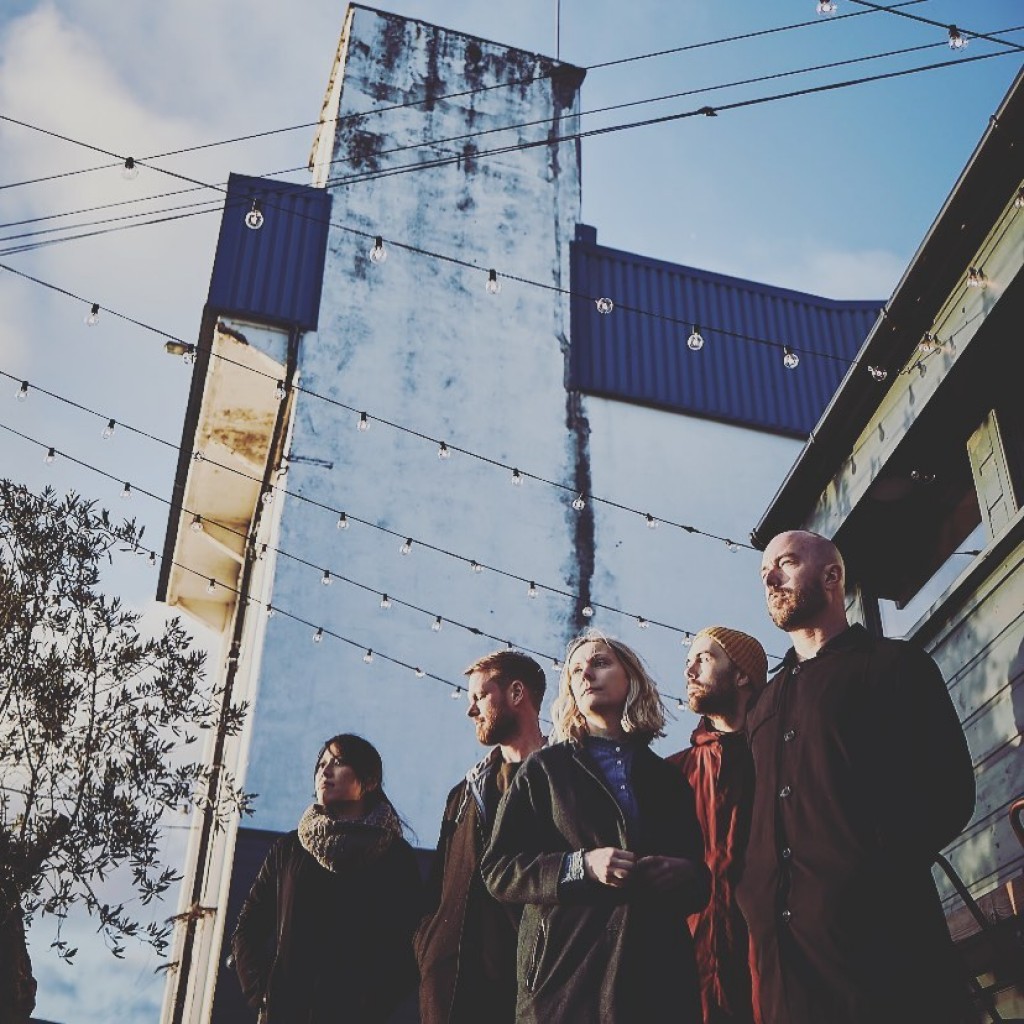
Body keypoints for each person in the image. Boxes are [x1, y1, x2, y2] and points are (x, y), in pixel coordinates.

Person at [738, 529, 976, 1024]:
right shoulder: (762, 708)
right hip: (786, 968)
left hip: (885, 955)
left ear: (831, 576)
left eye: (785, 563)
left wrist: (867, 869)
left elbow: (950, 791)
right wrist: (754, 892)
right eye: (764, 573)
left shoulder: (895, 666)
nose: (771, 578)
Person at [480, 630, 710, 1023]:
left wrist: (684, 873)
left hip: (654, 986)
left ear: (630, 678)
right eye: (575, 670)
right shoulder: (544, 770)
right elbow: (498, 869)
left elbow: (697, 881)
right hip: (565, 984)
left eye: (600, 663)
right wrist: (580, 867)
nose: (586, 674)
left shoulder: (666, 778)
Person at [231, 733, 423, 1023]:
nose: (325, 770)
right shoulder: (290, 849)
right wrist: (264, 996)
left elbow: (412, 945)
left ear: (369, 782)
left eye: (339, 762)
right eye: (322, 763)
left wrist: (370, 1006)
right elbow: (247, 929)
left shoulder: (395, 857)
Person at [415, 650, 547, 1024]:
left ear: (517, 694)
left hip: (523, 993)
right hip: (449, 992)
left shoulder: (562, 786)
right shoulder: (463, 794)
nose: (470, 710)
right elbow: (436, 890)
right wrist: (428, 948)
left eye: (479, 697)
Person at [667, 626, 768, 1024]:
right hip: (697, 976)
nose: (690, 671)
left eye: (704, 659)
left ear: (742, 674)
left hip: (772, 966)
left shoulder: (780, 756)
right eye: (688, 662)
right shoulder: (673, 774)